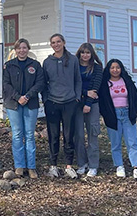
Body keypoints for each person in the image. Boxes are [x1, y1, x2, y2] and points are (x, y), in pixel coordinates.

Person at [3, 38, 45, 179]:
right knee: (16, 134)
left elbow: (40, 83)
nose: (22, 50)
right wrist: (17, 97)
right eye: (19, 48)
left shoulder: (35, 65)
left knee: (29, 135)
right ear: (15, 50)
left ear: (28, 49)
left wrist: (27, 96)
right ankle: (19, 166)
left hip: (30, 103)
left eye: (25, 47)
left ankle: (31, 167)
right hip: (13, 104)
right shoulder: (8, 66)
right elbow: (6, 84)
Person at [42, 33, 81, 179]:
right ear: (51, 45)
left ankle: (69, 166)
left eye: (58, 41)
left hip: (69, 102)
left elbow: (78, 80)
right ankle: (53, 165)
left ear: (63, 42)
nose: (56, 44)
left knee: (69, 135)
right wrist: (45, 99)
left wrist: (77, 97)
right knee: (53, 135)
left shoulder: (72, 60)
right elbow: (44, 82)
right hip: (52, 102)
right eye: (53, 42)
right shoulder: (47, 62)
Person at [99, 59, 137, 179]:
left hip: (127, 114)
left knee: (132, 142)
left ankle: (136, 168)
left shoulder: (127, 81)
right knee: (116, 143)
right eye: (112, 68)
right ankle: (119, 166)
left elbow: (136, 97)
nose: (115, 70)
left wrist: (133, 112)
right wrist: (106, 115)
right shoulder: (105, 83)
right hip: (113, 116)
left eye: (117, 67)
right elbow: (102, 102)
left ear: (121, 69)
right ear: (108, 69)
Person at [74, 43, 103, 177]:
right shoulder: (74, 66)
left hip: (93, 105)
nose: (85, 55)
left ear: (91, 54)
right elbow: (73, 85)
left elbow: (95, 87)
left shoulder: (96, 68)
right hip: (77, 103)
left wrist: (89, 103)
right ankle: (82, 163)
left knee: (93, 134)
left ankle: (93, 165)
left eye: (88, 53)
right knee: (78, 135)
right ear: (79, 53)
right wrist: (85, 93)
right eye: (83, 52)